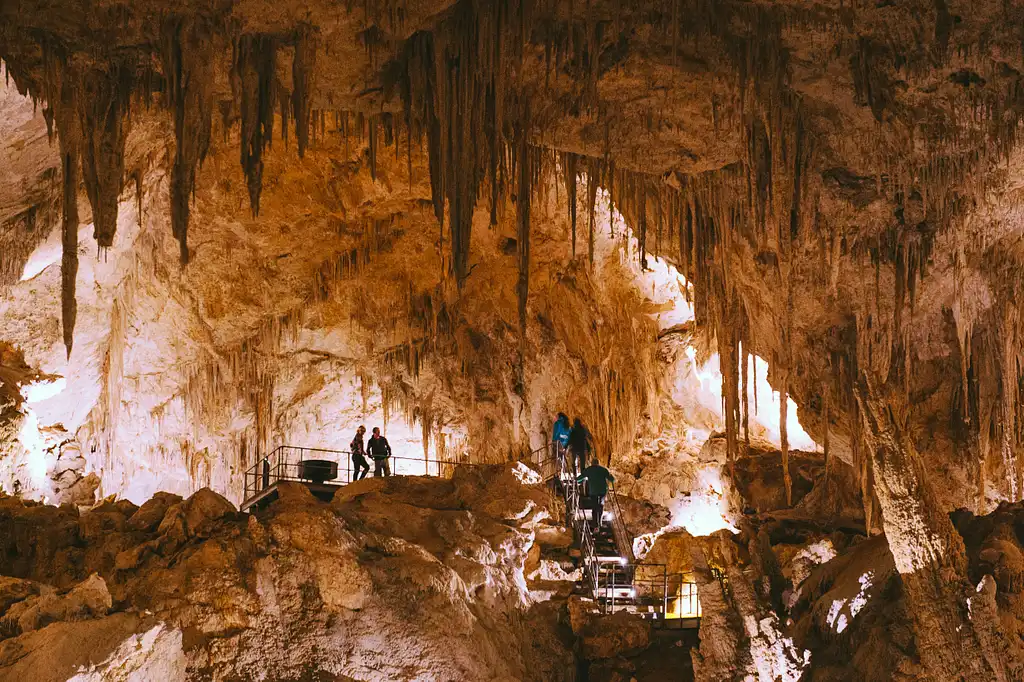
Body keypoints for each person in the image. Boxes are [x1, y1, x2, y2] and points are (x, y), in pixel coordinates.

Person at [578, 457, 615, 531]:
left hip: (593, 492)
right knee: (600, 506)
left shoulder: (589, 469)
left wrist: (577, 480)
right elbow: (612, 479)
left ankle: (595, 523)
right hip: (602, 491)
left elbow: (580, 478)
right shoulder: (603, 470)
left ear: (592, 463)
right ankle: (600, 522)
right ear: (598, 463)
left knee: (594, 507)